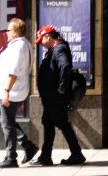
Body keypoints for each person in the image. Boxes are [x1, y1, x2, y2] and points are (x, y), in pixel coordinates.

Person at [33, 26, 85, 167]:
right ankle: (45, 156)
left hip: (56, 97)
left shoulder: (59, 49)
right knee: (49, 123)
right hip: (51, 98)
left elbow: (65, 66)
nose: (41, 44)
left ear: (48, 36)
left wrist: (62, 88)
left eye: (41, 40)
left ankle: (77, 154)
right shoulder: (54, 49)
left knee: (62, 123)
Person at [0, 18, 38, 168]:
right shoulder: (21, 45)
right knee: (9, 121)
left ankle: (11, 157)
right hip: (14, 90)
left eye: (9, 30)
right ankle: (28, 146)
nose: (6, 33)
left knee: (6, 124)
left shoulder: (19, 47)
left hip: (12, 91)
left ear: (16, 31)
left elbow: (13, 71)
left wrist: (6, 91)